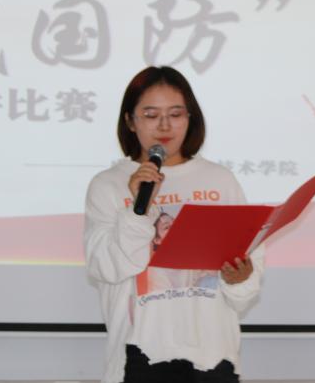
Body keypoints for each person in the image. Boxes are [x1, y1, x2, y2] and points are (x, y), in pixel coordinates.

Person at [84, 66, 263, 383]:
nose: (165, 126)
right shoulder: (108, 185)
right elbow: (107, 269)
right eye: (151, 115)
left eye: (176, 114)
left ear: (190, 118)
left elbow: (244, 290)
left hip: (212, 355)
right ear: (130, 121)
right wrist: (137, 210)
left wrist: (241, 277)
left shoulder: (220, 180)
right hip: (139, 356)